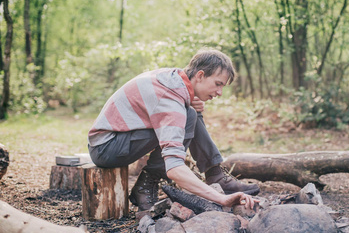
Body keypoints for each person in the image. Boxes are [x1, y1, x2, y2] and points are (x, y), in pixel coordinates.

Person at [87, 48, 259, 212]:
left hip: (115, 140)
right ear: (200, 75)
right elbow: (174, 168)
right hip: (106, 148)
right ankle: (147, 184)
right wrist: (220, 199)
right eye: (217, 84)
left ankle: (215, 174)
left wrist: (188, 103)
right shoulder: (169, 99)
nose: (220, 92)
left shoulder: (173, 79)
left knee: (190, 113)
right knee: (188, 116)